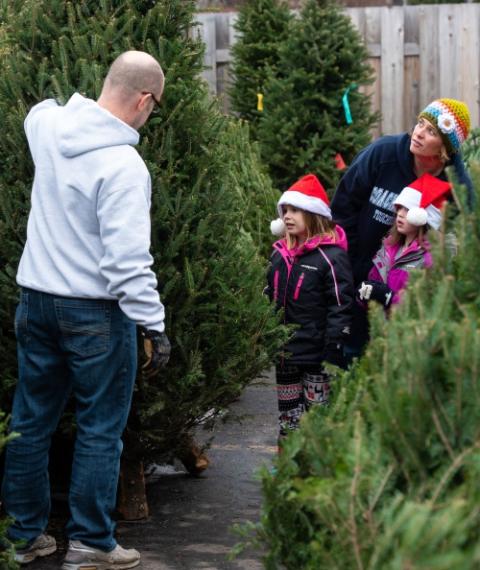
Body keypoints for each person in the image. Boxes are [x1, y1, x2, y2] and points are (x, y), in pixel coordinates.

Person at [2, 51, 170, 570]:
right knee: (100, 427)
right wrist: (154, 323)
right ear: (144, 100)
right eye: (155, 106)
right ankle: (91, 545)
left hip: (36, 302)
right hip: (95, 315)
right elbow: (125, 262)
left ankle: (22, 538)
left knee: (31, 422)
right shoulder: (123, 165)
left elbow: (40, 110)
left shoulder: (48, 127)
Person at [331, 98, 472, 360]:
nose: (418, 132)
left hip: (408, 295)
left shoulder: (456, 185)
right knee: (351, 354)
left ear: (445, 149)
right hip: (358, 275)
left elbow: (464, 240)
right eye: (420, 123)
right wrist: (349, 268)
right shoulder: (382, 154)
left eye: (431, 131)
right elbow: (342, 208)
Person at [266, 174, 354, 444]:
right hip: (286, 353)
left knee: (317, 416)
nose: (287, 217)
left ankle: (318, 470)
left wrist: (333, 345)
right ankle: (288, 466)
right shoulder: (280, 254)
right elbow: (270, 295)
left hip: (317, 354)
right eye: (285, 211)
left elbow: (341, 304)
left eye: (295, 211)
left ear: (313, 215)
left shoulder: (331, 257)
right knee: (288, 416)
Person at [357, 173, 452, 310]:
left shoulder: (429, 257)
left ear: (423, 217)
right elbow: (375, 281)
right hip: (381, 328)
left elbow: (426, 302)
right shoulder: (389, 246)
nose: (400, 213)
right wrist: (366, 295)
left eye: (407, 209)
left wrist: (390, 298)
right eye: (400, 208)